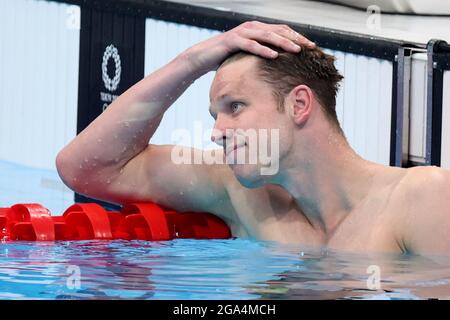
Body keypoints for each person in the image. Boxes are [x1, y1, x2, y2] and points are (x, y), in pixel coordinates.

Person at [56, 21, 450, 255]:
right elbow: (86, 168)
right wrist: (191, 61)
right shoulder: (242, 194)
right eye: (215, 115)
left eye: (235, 107)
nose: (216, 132)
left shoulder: (421, 198)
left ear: (299, 105)